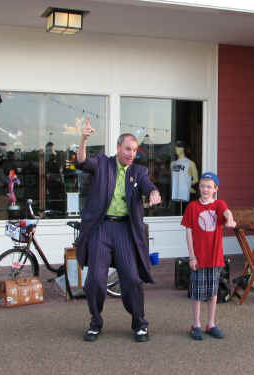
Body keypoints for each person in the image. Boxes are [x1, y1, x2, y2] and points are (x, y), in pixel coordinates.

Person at [74, 117, 162, 343]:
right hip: (101, 229)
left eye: (134, 150)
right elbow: (82, 162)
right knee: (95, 280)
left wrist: (153, 192)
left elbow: (147, 185)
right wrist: (83, 139)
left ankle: (139, 324)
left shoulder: (139, 171)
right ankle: (95, 322)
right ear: (118, 148)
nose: (131, 154)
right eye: (127, 149)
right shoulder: (103, 164)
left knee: (132, 279)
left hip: (124, 230)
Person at [181, 172, 236, 340]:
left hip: (214, 257)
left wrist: (230, 220)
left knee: (213, 292)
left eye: (209, 187)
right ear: (199, 187)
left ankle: (211, 323)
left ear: (215, 189)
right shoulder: (192, 207)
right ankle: (196, 324)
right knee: (197, 293)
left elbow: (226, 212)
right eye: (203, 186)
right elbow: (188, 232)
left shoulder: (219, 204)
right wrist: (192, 256)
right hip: (198, 257)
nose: (205, 189)